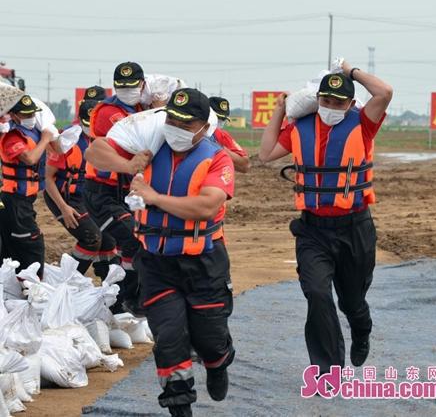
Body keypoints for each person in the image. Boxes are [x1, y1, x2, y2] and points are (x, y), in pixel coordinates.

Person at [85, 88, 235, 417]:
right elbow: (94, 152)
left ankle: (218, 361)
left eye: (186, 122)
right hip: (156, 261)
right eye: (172, 119)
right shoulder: (150, 147)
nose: (176, 127)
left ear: (202, 126)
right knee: (169, 337)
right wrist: (127, 163)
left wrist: (153, 198)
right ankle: (180, 404)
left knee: (209, 337)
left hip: (203, 263)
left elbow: (207, 206)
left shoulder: (217, 158)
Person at [259, 61, 393, 375]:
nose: (330, 107)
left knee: (351, 302)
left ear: (350, 104)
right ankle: (329, 369)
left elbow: (384, 92)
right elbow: (265, 154)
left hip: (355, 227)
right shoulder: (300, 128)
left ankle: (362, 330)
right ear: (317, 99)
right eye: (325, 100)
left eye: (338, 102)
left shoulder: (363, 123)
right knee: (317, 294)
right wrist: (280, 111)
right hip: (312, 230)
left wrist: (351, 71)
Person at [84, 61, 145, 310]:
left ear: (142, 85)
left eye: (132, 86)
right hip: (102, 193)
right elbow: (131, 141)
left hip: (126, 192)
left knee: (128, 245)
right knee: (132, 239)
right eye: (121, 86)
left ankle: (119, 300)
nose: (126, 90)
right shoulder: (110, 112)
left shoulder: (142, 108)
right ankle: (127, 299)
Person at [43, 100, 117, 280]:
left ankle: (108, 284)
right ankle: (65, 283)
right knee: (92, 238)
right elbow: (47, 179)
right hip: (64, 198)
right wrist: (64, 208)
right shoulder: (68, 142)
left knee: (109, 240)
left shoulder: (106, 140)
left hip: (89, 197)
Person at [0, 95, 55, 277]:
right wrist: (46, 139)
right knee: (32, 244)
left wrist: (48, 136)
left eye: (32, 113)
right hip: (14, 200)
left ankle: (15, 287)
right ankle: (31, 286)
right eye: (25, 114)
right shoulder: (12, 138)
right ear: (14, 116)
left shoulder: (35, 133)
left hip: (25, 201)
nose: (30, 117)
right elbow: (30, 158)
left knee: (11, 246)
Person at [209, 97, 250, 173]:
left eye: (223, 119)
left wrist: (219, 148)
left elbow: (245, 165)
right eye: (217, 118)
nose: (220, 122)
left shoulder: (221, 135)